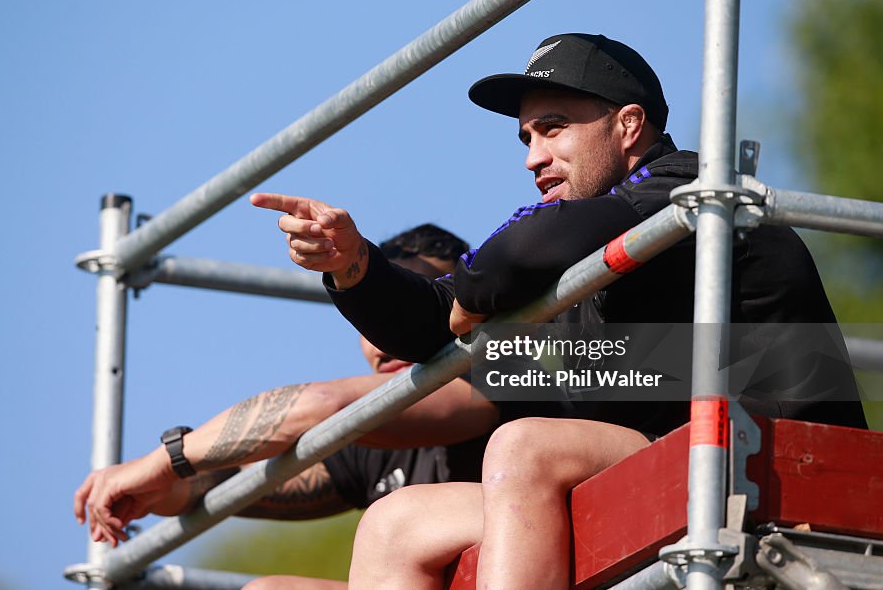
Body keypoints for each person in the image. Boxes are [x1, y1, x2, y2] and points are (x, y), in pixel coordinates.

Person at [251, 32, 867, 589]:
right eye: (526, 137)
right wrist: (352, 263)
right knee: (396, 521)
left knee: (526, 446)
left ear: (628, 126)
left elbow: (523, 251)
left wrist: (473, 293)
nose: (532, 158)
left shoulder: (690, 198)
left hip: (782, 466)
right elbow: (433, 326)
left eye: (553, 128)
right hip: (670, 466)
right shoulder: (587, 259)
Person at [73, 225, 500, 587]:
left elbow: (321, 404)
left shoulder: (491, 375)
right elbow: (236, 484)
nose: (384, 340)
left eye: (411, 310)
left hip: (528, 546)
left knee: (396, 520)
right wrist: (162, 488)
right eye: (375, 318)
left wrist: (164, 461)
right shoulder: (374, 450)